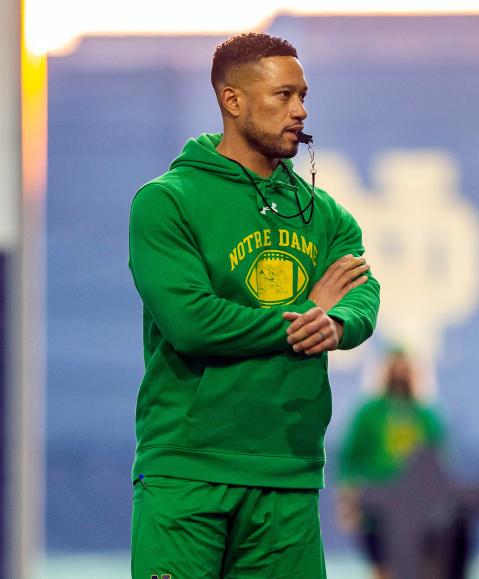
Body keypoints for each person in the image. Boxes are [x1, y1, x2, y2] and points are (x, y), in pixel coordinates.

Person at [127, 32, 380, 579]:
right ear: (232, 101)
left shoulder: (326, 214)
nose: (301, 110)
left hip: (288, 475)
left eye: (303, 96)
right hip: (187, 475)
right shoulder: (167, 201)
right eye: (284, 96)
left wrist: (335, 320)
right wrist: (299, 321)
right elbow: (191, 322)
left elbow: (361, 289)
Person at [336, 348, 448, 579]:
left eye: (405, 369)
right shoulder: (368, 413)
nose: (400, 375)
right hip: (377, 508)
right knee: (384, 570)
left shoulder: (427, 416)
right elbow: (350, 458)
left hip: (419, 509)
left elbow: (439, 463)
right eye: (394, 369)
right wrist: (348, 499)